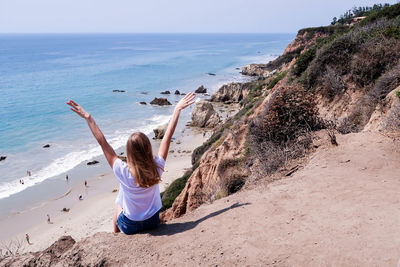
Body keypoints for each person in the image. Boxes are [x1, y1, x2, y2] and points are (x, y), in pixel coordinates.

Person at [67, 93, 195, 235]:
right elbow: (167, 136)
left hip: (129, 226)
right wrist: (177, 109)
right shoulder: (157, 167)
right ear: (148, 149)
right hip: (152, 221)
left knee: (120, 201)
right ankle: (118, 231)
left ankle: (115, 234)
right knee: (122, 193)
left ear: (129, 153)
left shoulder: (123, 171)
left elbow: (103, 143)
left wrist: (88, 118)